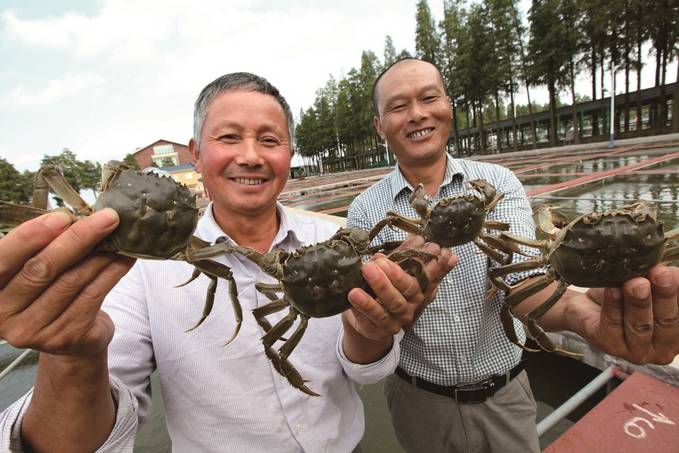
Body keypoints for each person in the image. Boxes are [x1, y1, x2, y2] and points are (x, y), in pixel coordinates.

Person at [0, 72, 457, 452]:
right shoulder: (131, 271)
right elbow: (90, 433)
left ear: (288, 154)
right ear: (196, 153)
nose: (251, 156)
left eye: (270, 140)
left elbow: (367, 370)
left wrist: (370, 330)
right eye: (229, 137)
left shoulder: (335, 238)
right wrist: (72, 357)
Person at [347, 57, 679, 453]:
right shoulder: (367, 211)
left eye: (429, 98)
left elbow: (522, 280)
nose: (417, 114)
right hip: (418, 401)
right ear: (379, 125)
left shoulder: (496, 183)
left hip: (505, 394)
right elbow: (371, 315)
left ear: (448, 106)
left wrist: (577, 313)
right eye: (399, 107)